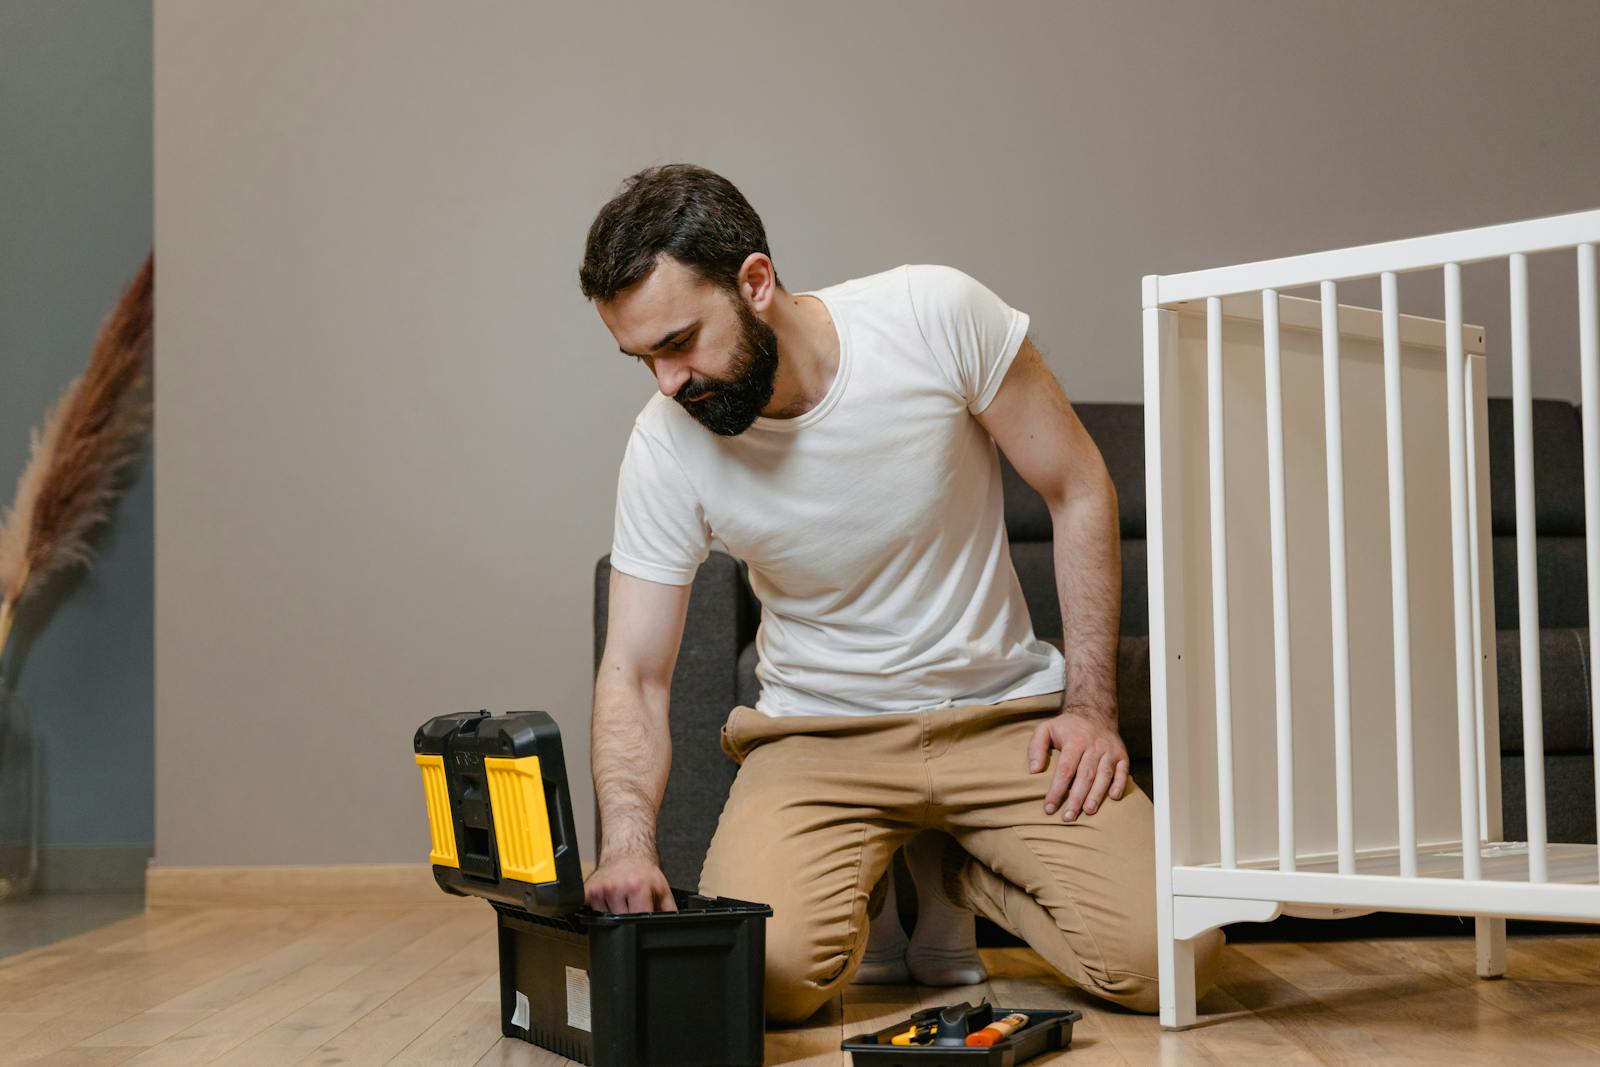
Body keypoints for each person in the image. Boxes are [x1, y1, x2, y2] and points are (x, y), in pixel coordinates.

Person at [578, 163, 1223, 1024]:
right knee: (756, 982)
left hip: (1000, 717)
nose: (667, 381)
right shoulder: (665, 442)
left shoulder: (935, 314)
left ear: (755, 282)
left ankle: (946, 865)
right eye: (642, 358)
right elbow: (635, 669)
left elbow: (1078, 487)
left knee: (1172, 960)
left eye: (680, 341)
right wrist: (627, 844)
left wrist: (1092, 708)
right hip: (818, 736)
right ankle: (877, 869)